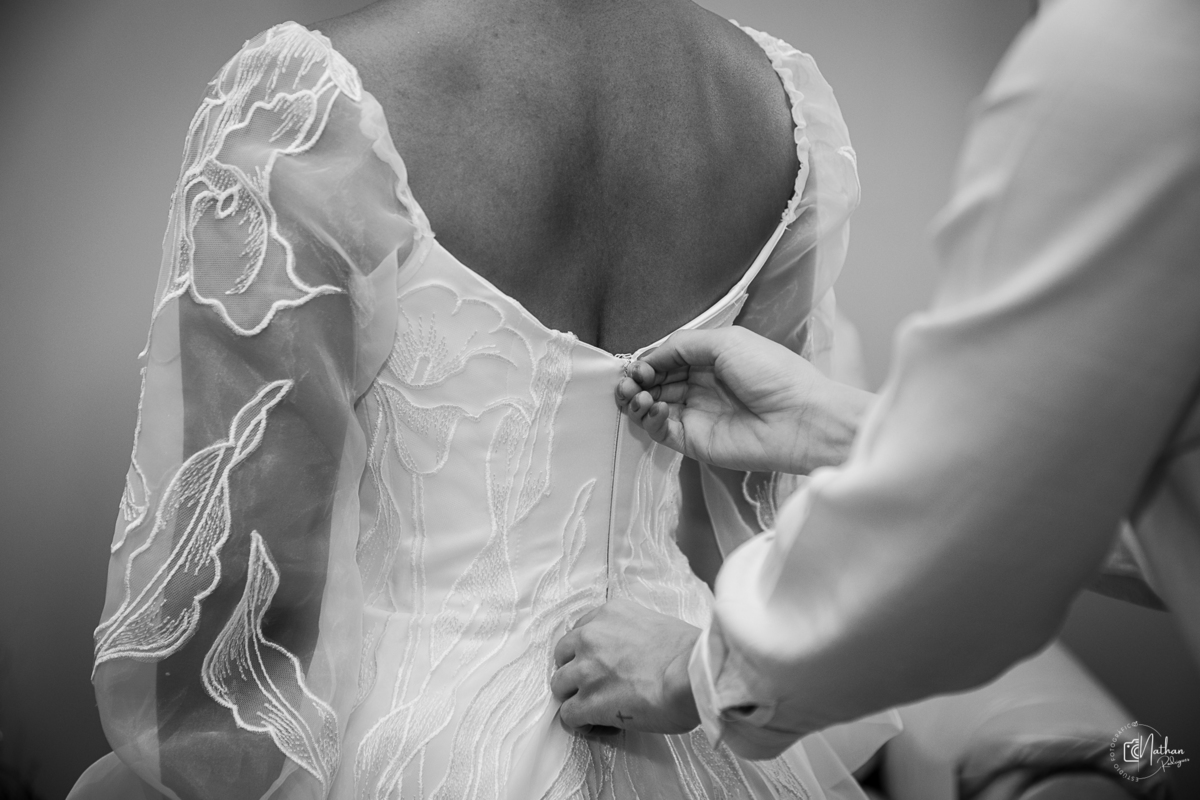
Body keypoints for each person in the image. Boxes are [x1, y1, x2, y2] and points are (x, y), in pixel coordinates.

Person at [68, 0, 900, 798]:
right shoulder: (775, 102)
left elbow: (238, 571)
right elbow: (758, 523)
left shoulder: (302, 102)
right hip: (685, 708)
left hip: (413, 740)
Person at [552, 0, 1200, 769]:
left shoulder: (1140, 62)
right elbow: (1084, 495)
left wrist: (690, 670)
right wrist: (832, 426)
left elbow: (976, 526)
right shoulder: (765, 96)